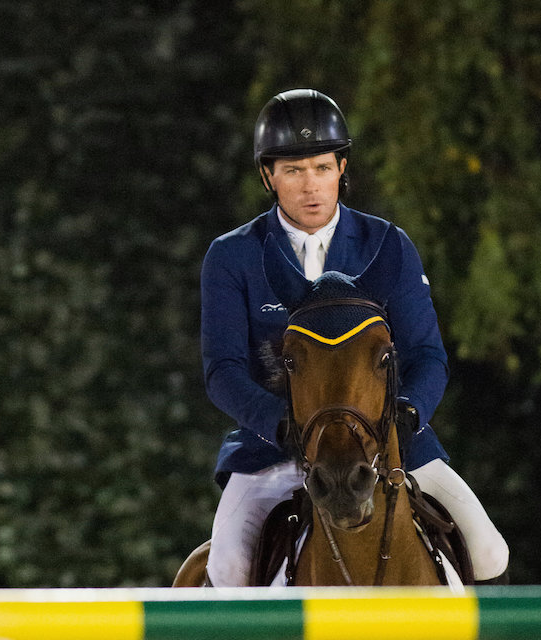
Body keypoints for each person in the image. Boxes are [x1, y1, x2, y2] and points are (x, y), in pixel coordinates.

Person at [200, 88, 509, 586]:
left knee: (490, 550)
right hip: (274, 448)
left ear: (342, 168)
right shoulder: (232, 255)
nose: (310, 187)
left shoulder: (388, 246)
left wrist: (409, 416)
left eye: (322, 167)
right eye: (293, 171)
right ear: (268, 176)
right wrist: (281, 425)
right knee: (229, 566)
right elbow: (223, 372)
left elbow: (428, 355)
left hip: (389, 443)